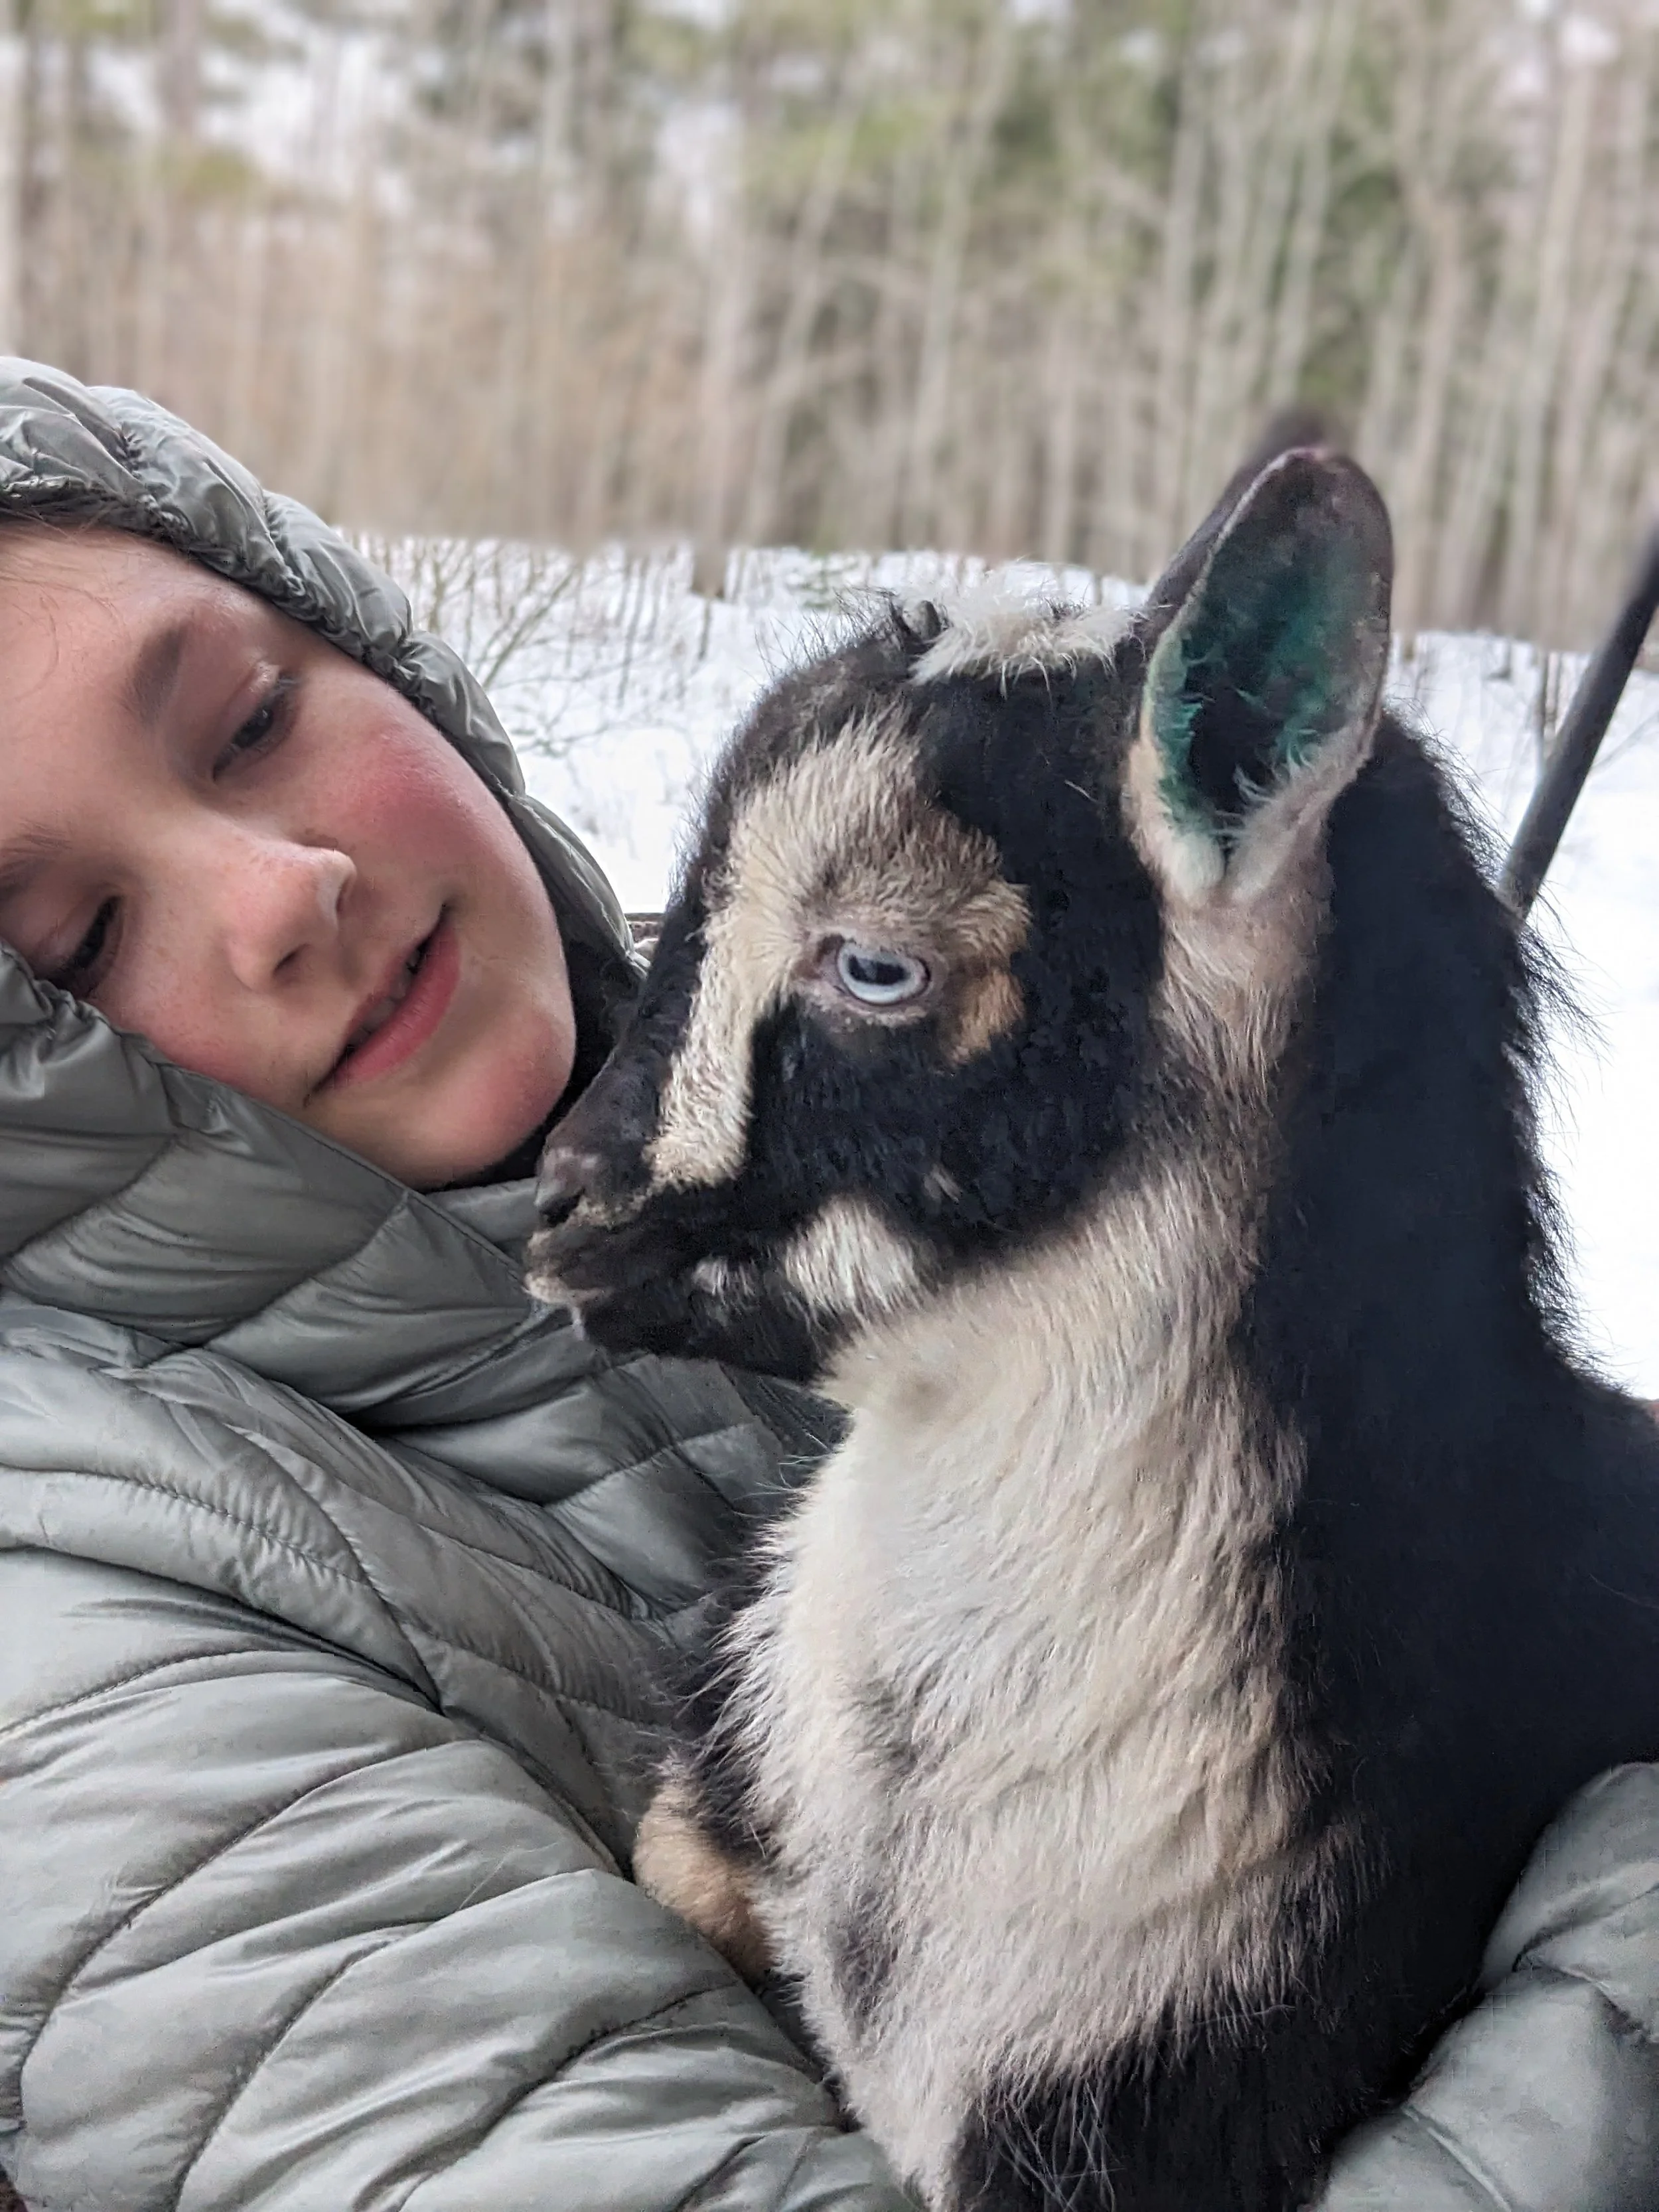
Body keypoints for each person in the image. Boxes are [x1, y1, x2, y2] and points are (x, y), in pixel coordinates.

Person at [0, 357, 1652, 2212]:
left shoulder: (819, 1131)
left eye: (243, 722)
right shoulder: (74, 1686)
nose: (282, 889)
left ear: (363, 641)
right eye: (78, 939)